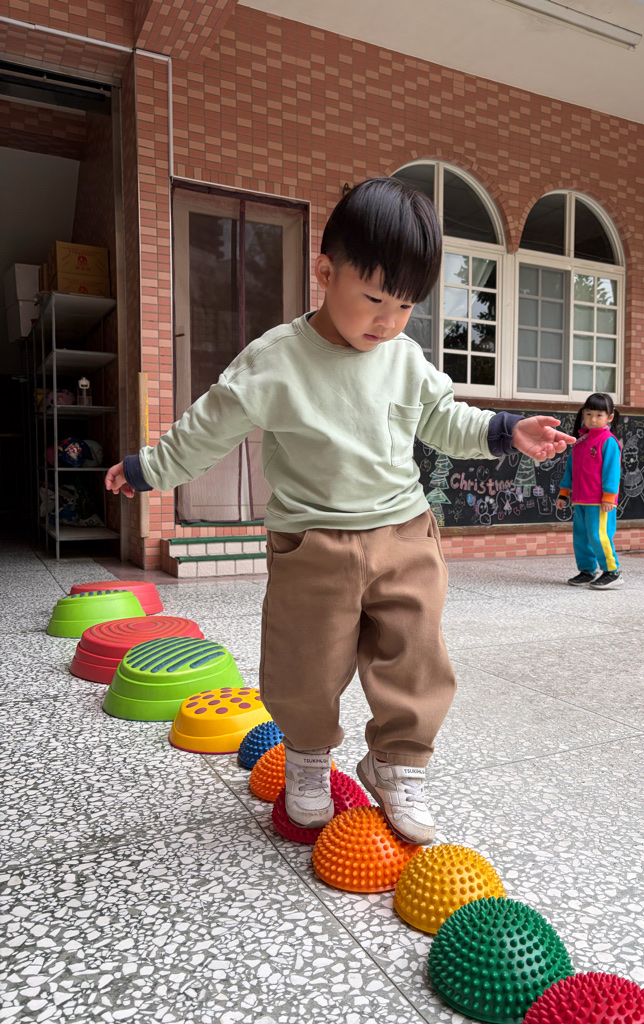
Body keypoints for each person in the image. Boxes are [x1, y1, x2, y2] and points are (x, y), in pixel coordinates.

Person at [105, 177, 576, 843]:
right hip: (313, 541)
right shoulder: (276, 360)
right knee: (305, 662)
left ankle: (397, 763)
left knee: (416, 653)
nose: (388, 321)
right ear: (326, 273)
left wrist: (505, 431)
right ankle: (306, 756)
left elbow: (444, 419)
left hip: (403, 533)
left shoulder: (402, 359)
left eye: (406, 305)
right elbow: (209, 427)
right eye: (375, 298)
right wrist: (148, 468)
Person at [556, 392, 623, 589]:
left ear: (610, 417)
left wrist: (609, 497)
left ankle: (612, 572)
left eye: (599, 415)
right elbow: (570, 470)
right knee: (581, 537)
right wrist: (564, 493)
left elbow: (612, 471)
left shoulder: (609, 441)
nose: (593, 419)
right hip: (580, 499)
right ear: (583, 414)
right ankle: (587, 570)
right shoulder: (580, 442)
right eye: (589, 414)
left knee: (598, 535)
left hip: (599, 502)